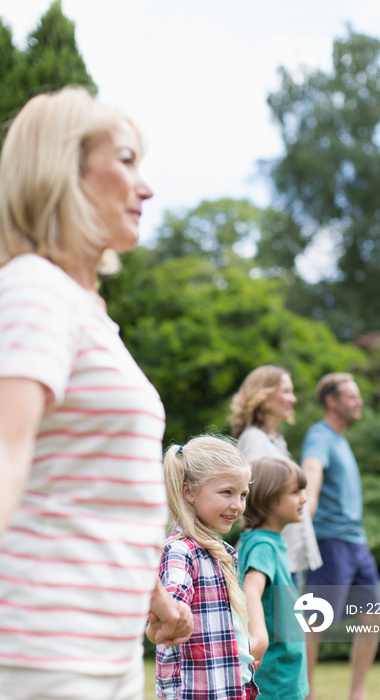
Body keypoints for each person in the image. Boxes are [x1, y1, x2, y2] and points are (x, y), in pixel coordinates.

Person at [0, 87, 192, 700]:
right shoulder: (36, 289)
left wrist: (153, 595)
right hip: (42, 647)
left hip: (103, 651)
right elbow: (6, 455)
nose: (147, 187)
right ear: (64, 171)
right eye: (127, 160)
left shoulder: (86, 311)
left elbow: (90, 491)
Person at [301, 372, 380, 700]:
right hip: (331, 541)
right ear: (332, 401)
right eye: (352, 396)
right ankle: (304, 694)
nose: (359, 401)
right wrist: (305, 508)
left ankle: (357, 694)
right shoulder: (319, 435)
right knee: (313, 622)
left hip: (356, 542)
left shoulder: (342, 439)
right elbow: (311, 470)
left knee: (374, 615)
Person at [155, 435, 259, 700]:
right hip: (198, 691)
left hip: (230, 686)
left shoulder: (221, 552)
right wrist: (171, 616)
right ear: (189, 491)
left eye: (243, 494)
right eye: (227, 492)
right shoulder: (181, 551)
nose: (238, 505)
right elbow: (170, 603)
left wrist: (242, 653)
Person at [230, 365, 322, 576]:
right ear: (262, 395)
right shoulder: (253, 439)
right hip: (271, 556)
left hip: (283, 551)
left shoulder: (277, 441)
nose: (293, 399)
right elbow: (252, 493)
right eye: (286, 391)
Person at [238, 456, 310, 700]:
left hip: (284, 669)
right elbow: (250, 590)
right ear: (269, 498)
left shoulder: (269, 542)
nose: (304, 498)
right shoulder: (263, 545)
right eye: (295, 492)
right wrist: (259, 636)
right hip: (275, 675)